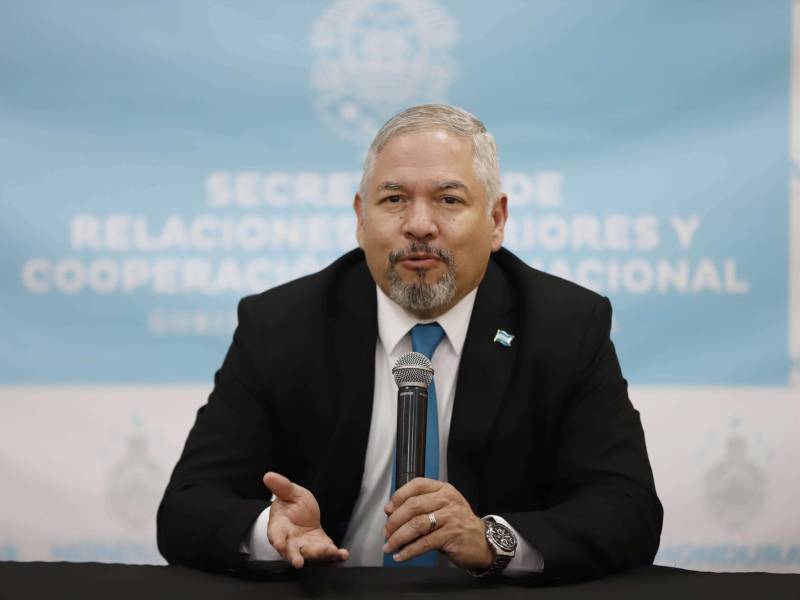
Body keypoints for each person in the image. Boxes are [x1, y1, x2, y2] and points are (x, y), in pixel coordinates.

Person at [157, 104, 662, 582]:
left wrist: (492, 540)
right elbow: (185, 508)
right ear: (360, 217)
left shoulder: (564, 326)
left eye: (449, 199)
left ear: (497, 220)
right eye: (394, 199)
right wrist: (270, 530)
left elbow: (627, 509)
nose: (419, 225)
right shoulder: (281, 325)